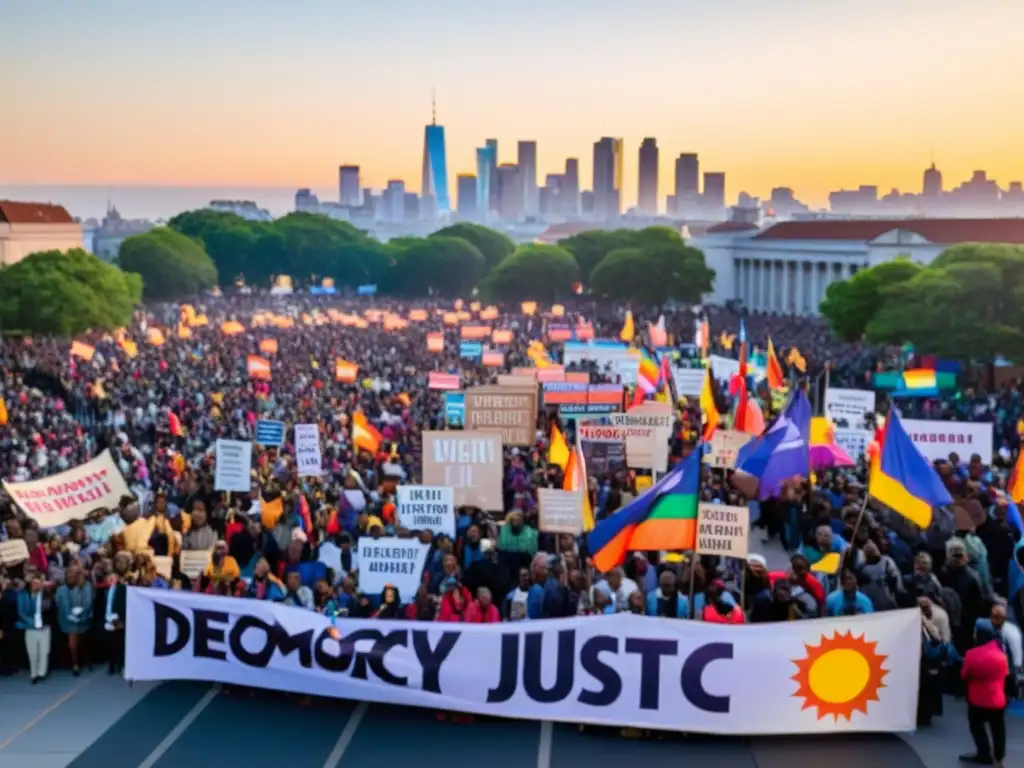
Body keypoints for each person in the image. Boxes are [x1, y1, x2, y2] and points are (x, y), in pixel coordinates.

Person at [960, 624, 1009, 765]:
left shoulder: (971, 654)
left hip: (977, 698)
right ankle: (999, 756)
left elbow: (964, 675)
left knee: (976, 725)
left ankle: (984, 753)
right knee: (998, 729)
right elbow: (1006, 675)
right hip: (997, 698)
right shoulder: (1001, 656)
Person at [55, 564, 94, 675]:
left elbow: (88, 603)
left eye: (73, 573)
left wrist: (80, 613)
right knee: (72, 643)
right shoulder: (62, 589)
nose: (70, 575)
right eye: (69, 573)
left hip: (83, 618)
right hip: (67, 620)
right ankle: (74, 663)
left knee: (81, 641)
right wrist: (69, 614)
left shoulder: (86, 586)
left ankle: (83, 661)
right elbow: (58, 603)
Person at [17, 573, 52, 683]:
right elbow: (21, 612)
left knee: (44, 651)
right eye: (34, 583)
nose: (36, 585)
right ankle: (34, 674)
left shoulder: (46, 595)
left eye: (38, 583)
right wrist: (32, 622)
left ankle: (41, 673)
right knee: (33, 653)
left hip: (44, 628)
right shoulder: (23, 596)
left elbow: (49, 610)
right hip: (30, 628)